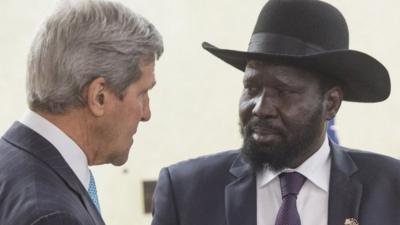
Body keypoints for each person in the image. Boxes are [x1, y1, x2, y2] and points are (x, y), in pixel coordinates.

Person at [151, 0, 400, 225]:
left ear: (331, 103)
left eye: (283, 91)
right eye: (251, 87)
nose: (260, 107)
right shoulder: (185, 192)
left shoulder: (391, 188)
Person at [0, 0, 163, 224]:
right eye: (142, 94)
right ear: (99, 97)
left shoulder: (11, 164)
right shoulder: (51, 215)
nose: (146, 114)